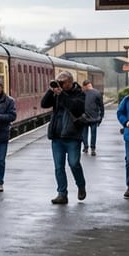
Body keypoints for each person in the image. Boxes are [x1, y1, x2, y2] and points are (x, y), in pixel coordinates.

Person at [41, 71, 87, 204]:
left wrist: (62, 94)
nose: (60, 85)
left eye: (62, 82)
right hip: (57, 135)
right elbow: (44, 104)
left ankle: (81, 186)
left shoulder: (79, 93)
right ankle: (62, 194)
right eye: (59, 82)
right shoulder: (56, 94)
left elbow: (76, 108)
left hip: (72, 136)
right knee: (58, 167)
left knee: (74, 163)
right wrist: (51, 91)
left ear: (70, 82)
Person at [80, 80, 105, 156]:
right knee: (93, 134)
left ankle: (85, 147)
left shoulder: (82, 93)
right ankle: (93, 148)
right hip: (95, 117)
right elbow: (101, 106)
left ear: (85, 86)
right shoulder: (97, 93)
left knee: (84, 133)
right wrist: (101, 116)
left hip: (84, 117)